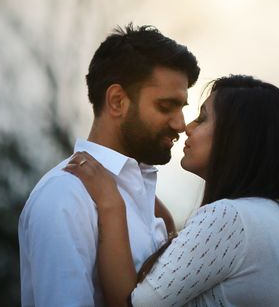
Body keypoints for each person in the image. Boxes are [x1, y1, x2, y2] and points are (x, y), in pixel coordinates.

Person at [64, 75, 279, 307]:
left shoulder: (228, 217)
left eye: (203, 118)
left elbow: (129, 304)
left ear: (236, 137)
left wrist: (111, 202)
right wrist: (170, 225)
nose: (187, 127)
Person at [19, 24, 200, 307]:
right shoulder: (66, 196)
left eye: (182, 108)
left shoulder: (144, 201)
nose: (180, 124)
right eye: (166, 107)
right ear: (117, 101)